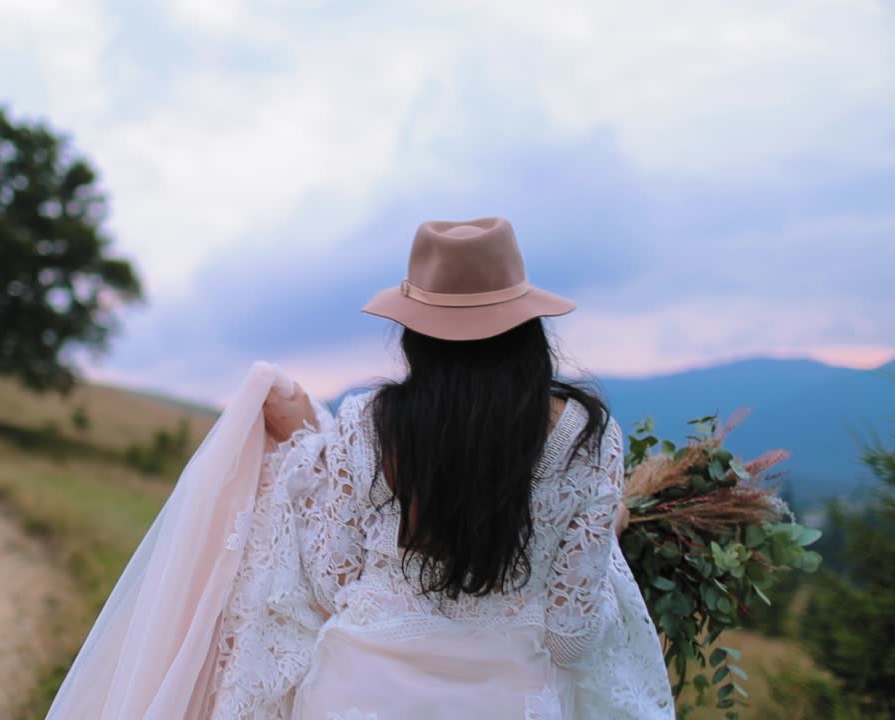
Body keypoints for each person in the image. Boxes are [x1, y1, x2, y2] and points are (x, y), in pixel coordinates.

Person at [46, 217, 672, 719]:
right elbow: (573, 637)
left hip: (357, 694)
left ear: (417, 333)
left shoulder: (369, 421)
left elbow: (332, 579)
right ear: (526, 326)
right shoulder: (587, 438)